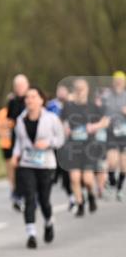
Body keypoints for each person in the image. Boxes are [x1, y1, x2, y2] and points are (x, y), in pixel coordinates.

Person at [12, 87, 65, 248]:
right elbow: (19, 142)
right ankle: (31, 234)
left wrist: (47, 143)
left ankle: (48, 222)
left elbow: (60, 139)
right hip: (27, 162)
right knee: (29, 197)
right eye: (27, 97)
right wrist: (15, 155)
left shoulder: (51, 119)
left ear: (42, 100)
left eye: (34, 97)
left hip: (46, 164)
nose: (30, 100)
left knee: (44, 199)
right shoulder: (21, 120)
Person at [60, 77, 108, 216]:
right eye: (77, 89)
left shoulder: (94, 107)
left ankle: (91, 195)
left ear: (87, 90)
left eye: (82, 89)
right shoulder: (68, 106)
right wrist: (65, 128)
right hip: (73, 147)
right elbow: (61, 121)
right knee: (74, 178)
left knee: (87, 180)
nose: (80, 92)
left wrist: (95, 126)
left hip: (89, 148)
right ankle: (80, 204)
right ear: (73, 91)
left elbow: (106, 121)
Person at [5, 74, 30, 211]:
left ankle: (31, 195)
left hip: (31, 141)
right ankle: (18, 194)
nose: (19, 88)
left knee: (29, 168)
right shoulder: (12, 102)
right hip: (17, 140)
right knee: (17, 167)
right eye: (17, 86)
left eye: (21, 85)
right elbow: (9, 120)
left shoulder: (31, 99)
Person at [46, 84, 73, 205]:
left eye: (64, 91)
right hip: (56, 140)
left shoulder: (73, 104)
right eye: (59, 91)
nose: (61, 93)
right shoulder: (51, 105)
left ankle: (72, 194)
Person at [103, 72, 126, 202]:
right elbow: (100, 112)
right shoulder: (107, 97)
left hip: (125, 134)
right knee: (112, 161)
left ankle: (119, 187)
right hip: (111, 132)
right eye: (116, 80)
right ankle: (111, 180)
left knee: (124, 165)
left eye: (120, 80)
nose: (118, 82)